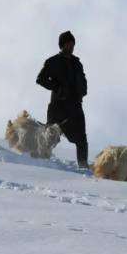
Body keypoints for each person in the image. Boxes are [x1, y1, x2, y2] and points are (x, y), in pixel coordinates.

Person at [36, 30, 89, 169]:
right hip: (57, 106)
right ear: (62, 45)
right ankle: (41, 162)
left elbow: (82, 80)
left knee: (81, 138)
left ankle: (83, 167)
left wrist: (82, 93)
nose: (71, 47)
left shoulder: (77, 63)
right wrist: (56, 87)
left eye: (73, 44)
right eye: (69, 44)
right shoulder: (52, 62)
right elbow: (40, 79)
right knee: (51, 136)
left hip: (75, 106)